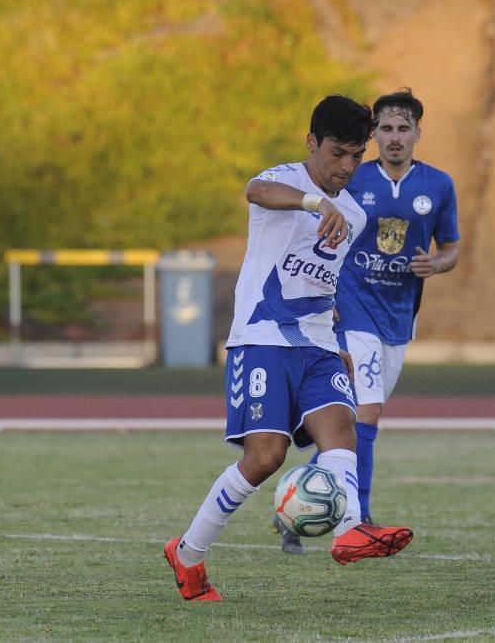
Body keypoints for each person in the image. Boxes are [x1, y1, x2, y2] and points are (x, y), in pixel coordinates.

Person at [164, 95, 414, 602]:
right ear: (311, 143)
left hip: (318, 343)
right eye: (338, 153)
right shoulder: (287, 181)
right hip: (262, 339)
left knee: (341, 427)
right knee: (265, 458)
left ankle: (349, 529)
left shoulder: (354, 217)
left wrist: (338, 338)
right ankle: (187, 554)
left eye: (356, 156)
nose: (346, 166)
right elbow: (255, 190)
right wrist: (313, 202)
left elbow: (326, 281)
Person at [275, 88, 459, 555]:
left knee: (358, 423)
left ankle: (300, 502)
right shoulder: (353, 180)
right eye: (385, 129)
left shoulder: (438, 185)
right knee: (366, 412)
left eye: (403, 128)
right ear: (373, 134)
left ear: (418, 133)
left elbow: (451, 249)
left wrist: (435, 265)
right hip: (353, 310)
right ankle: (361, 516)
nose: (394, 137)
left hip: (399, 316)